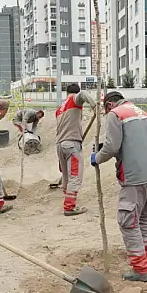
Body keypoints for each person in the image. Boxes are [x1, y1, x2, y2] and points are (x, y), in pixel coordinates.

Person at [90, 91, 147, 282]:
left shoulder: (116, 114)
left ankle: (141, 270)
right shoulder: (141, 113)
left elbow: (112, 146)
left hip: (135, 176)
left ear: (108, 106)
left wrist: (97, 158)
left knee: (128, 222)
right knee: (145, 219)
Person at [56, 84, 97, 216]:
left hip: (60, 144)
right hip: (71, 143)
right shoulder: (74, 99)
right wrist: (95, 107)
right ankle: (69, 207)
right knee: (75, 175)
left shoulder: (59, 109)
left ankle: (67, 201)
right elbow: (84, 94)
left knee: (66, 176)